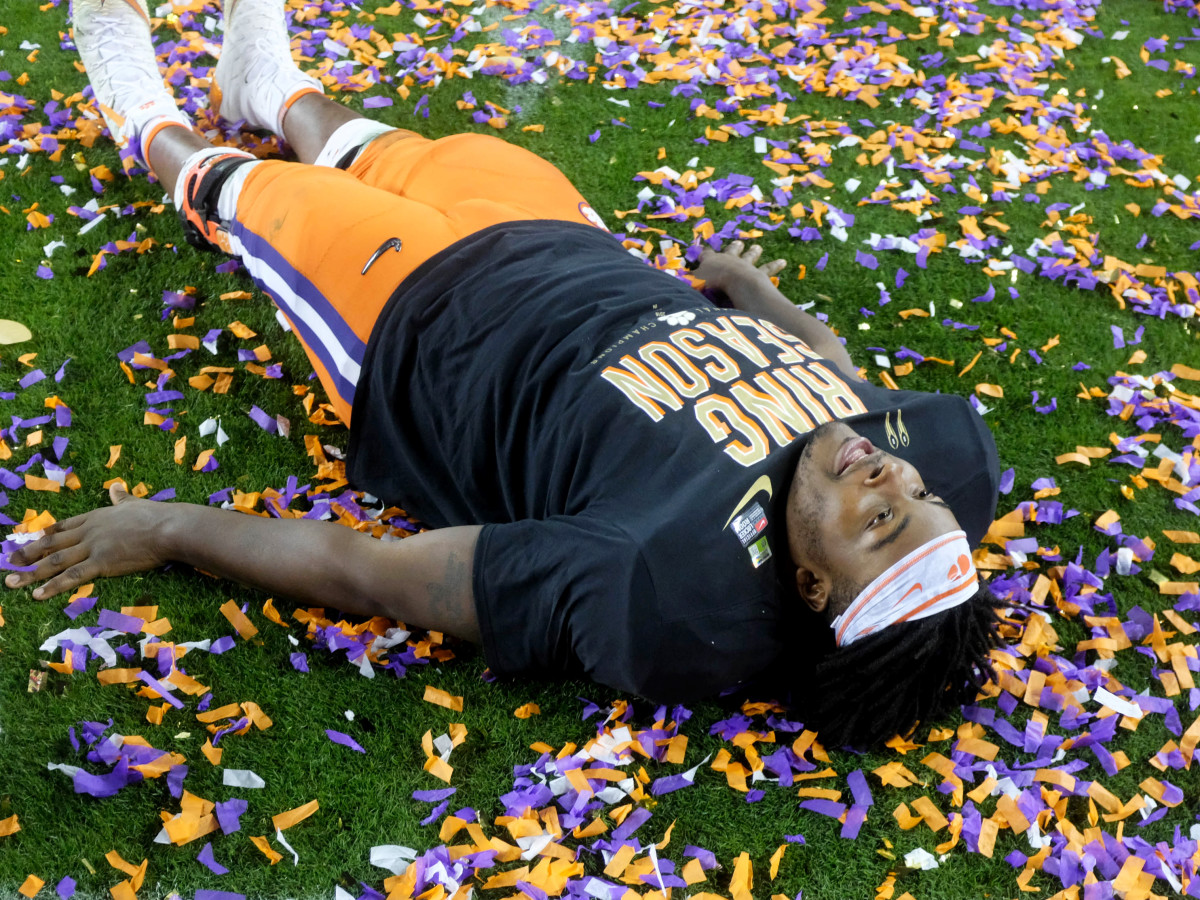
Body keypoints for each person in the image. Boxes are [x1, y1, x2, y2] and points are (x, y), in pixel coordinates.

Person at [3, 0, 1005, 747]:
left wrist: (170, 526)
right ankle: (271, 89)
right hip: (567, 241)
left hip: (422, 323)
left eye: (881, 519)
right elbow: (840, 376)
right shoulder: (924, 466)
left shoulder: (659, 587)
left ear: (809, 581)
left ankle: (143, 113)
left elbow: (376, 574)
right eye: (914, 494)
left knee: (242, 189)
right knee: (372, 144)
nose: (887, 477)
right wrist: (765, 300)